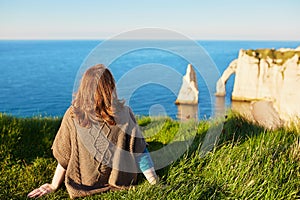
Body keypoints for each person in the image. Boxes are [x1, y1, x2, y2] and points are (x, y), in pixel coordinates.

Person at [27, 64, 159, 199]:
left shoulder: (73, 114)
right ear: (110, 88)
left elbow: (65, 155)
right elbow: (140, 152)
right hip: (119, 180)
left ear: (84, 88)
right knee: (138, 142)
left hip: (82, 182)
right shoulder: (124, 114)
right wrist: (155, 183)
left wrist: (54, 185)